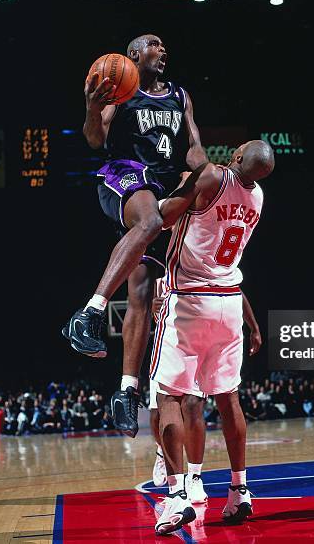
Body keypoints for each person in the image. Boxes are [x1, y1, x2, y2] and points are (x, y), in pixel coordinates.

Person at [62, 34, 207, 437]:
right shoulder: (120, 89)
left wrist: (210, 177)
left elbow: (193, 148)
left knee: (142, 291)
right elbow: (95, 139)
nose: (164, 50)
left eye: (164, 46)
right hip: (123, 177)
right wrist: (92, 107)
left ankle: (127, 390)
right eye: (156, 45)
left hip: (161, 187)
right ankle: (88, 313)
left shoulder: (179, 95)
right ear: (134, 55)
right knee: (147, 223)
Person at [151, 141, 274, 535]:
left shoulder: (209, 178)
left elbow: (163, 217)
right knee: (229, 398)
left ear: (236, 158)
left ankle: (176, 495)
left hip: (189, 299)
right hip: (229, 302)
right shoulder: (257, 197)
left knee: (168, 396)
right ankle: (239, 491)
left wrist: (180, 187)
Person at [149, 279, 261, 505]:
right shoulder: (160, 276)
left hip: (202, 325)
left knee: (193, 405)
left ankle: (193, 478)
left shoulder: (194, 259)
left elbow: (235, 288)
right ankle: (163, 451)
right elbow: (151, 311)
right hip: (173, 335)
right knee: (157, 414)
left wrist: (254, 325)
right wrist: (154, 307)